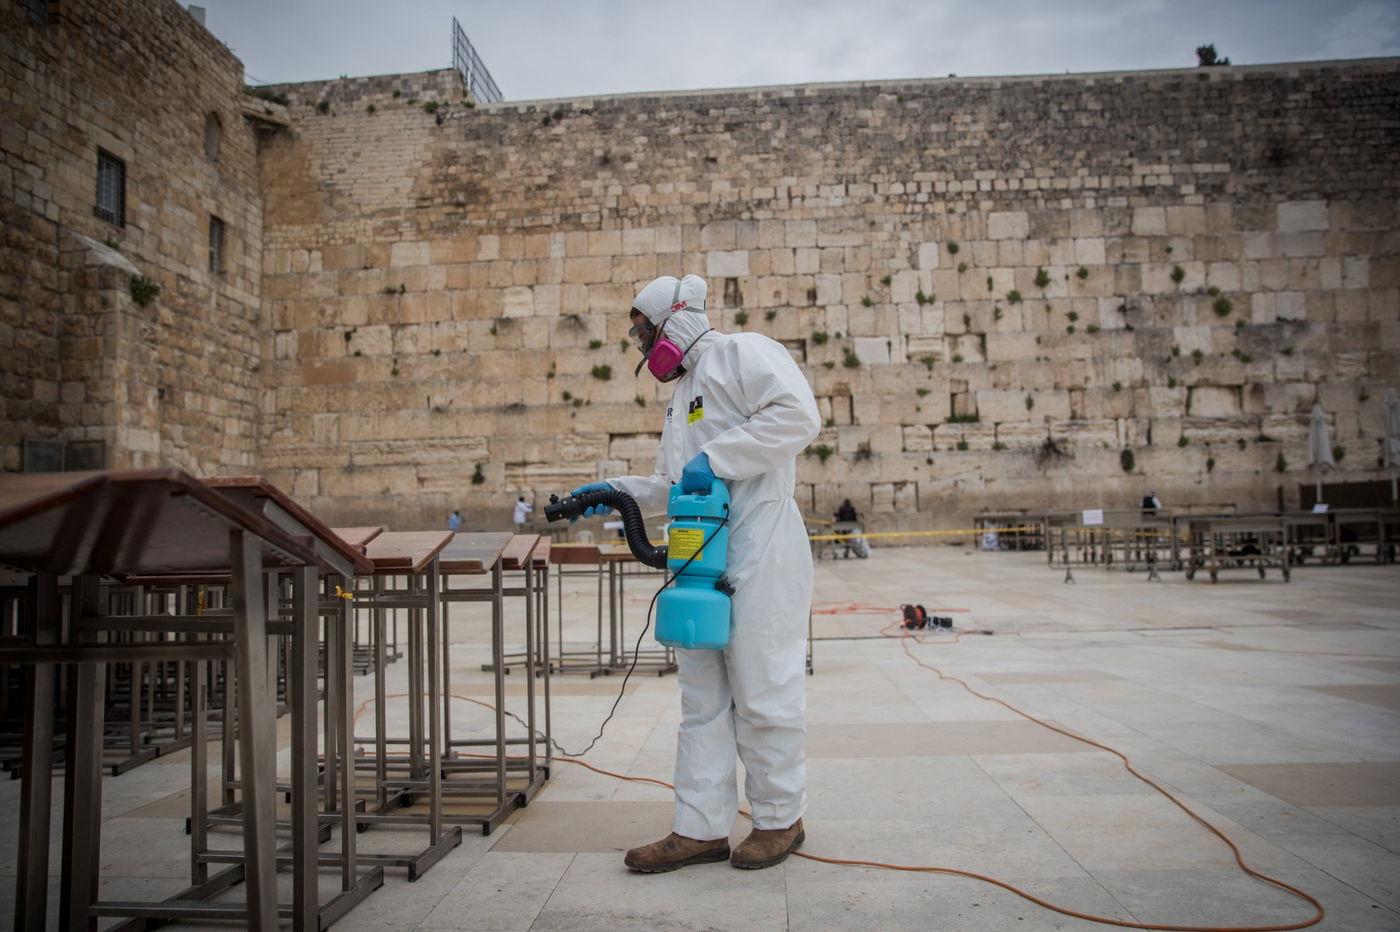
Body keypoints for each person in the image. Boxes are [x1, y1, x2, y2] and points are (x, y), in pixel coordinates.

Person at [572, 274, 820, 872]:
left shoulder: (742, 353)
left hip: (760, 544)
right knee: (702, 698)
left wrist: (719, 455)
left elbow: (797, 416)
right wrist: (617, 490)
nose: (640, 342)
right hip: (697, 554)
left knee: (764, 687)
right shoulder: (681, 398)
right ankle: (700, 828)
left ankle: (780, 819)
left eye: (644, 329)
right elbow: (674, 485)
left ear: (675, 318)